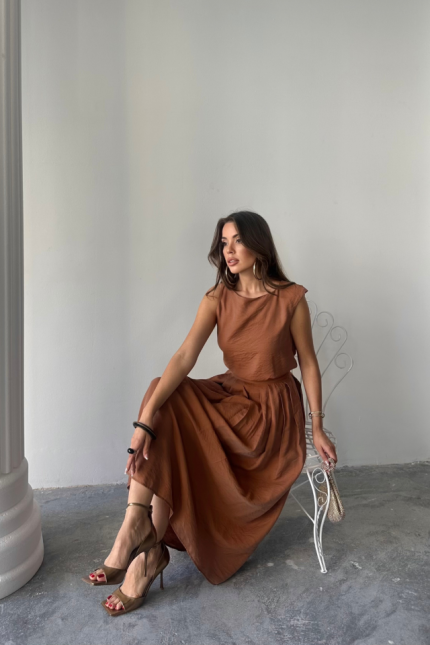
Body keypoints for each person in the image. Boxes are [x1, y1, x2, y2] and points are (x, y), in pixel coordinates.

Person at [82, 210, 338, 616]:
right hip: (231, 394)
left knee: (171, 418)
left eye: (237, 240)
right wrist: (143, 422)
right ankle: (139, 532)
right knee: (162, 398)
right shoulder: (217, 298)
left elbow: (307, 361)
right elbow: (185, 356)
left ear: (259, 245)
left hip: (270, 413)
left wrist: (318, 425)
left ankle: (143, 546)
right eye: (223, 242)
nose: (229, 250)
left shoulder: (291, 298)